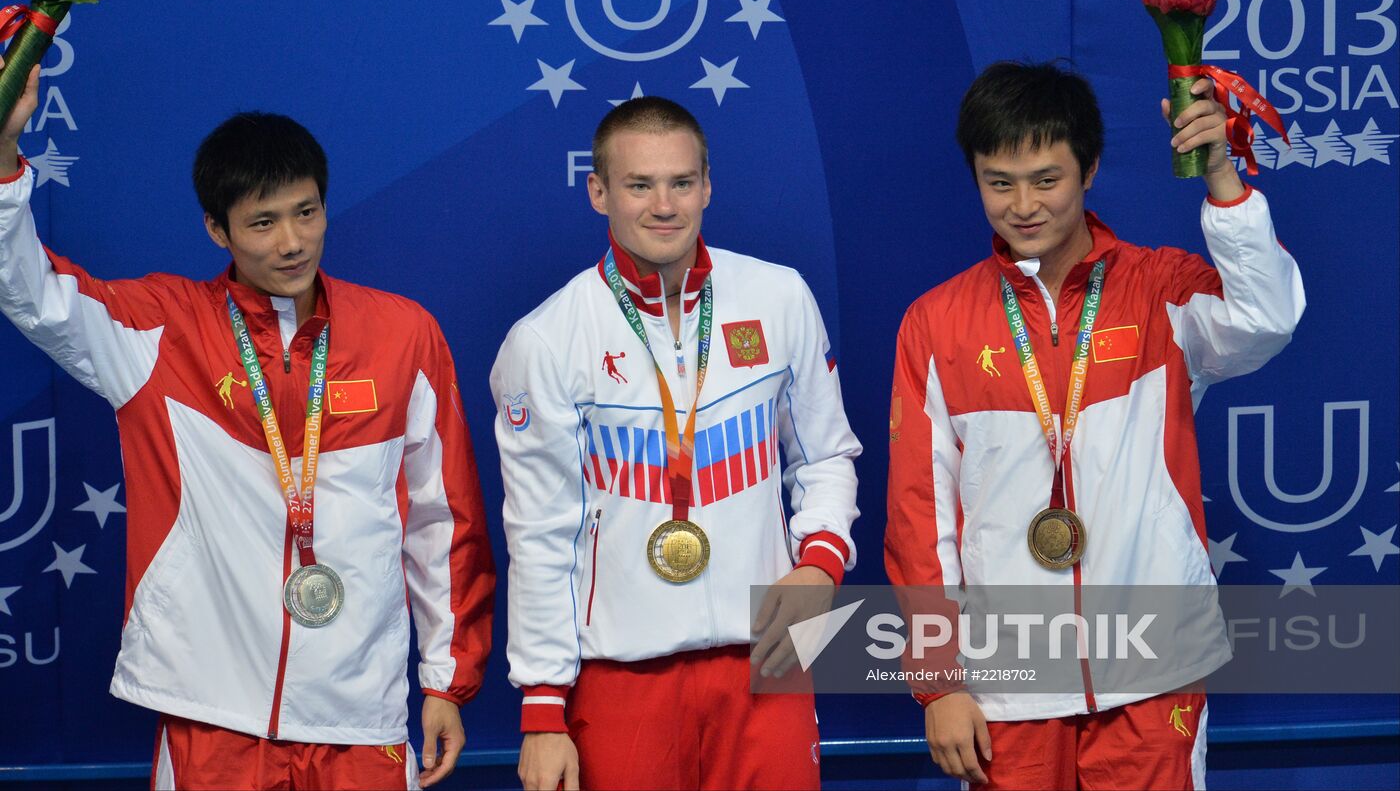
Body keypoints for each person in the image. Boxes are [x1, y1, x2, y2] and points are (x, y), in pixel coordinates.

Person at [0, 59, 495, 791]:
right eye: (262, 222)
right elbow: (32, 294)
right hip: (211, 714)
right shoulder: (160, 330)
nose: (292, 241)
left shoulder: (404, 333)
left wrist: (446, 681)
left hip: (360, 716)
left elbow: (443, 518)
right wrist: (5, 160)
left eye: (307, 211)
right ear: (216, 228)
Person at [885, 61, 1304, 789]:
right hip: (1006, 683)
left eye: (1046, 178)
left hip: (1155, 669)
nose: (1023, 204)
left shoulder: (1159, 289)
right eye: (999, 181)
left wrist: (1223, 181)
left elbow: (1268, 318)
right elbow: (920, 520)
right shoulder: (936, 321)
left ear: (1090, 169)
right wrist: (939, 679)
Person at [491, 96, 861, 790]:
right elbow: (538, 534)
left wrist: (819, 565)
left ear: (708, 185)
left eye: (681, 182)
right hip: (621, 679)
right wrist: (542, 711)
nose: (664, 205)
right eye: (639, 185)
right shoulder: (545, 340)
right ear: (598, 190)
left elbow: (826, 455)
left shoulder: (778, 298)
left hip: (768, 661)